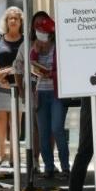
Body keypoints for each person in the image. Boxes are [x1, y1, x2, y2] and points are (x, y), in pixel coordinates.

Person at [0, 6, 26, 174]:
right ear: (6, 21)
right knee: (0, 122)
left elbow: (27, 60)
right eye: (10, 18)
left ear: (20, 22)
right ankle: (0, 156)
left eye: (16, 18)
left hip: (18, 86)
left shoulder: (25, 40)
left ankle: (14, 157)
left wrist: (11, 70)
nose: (13, 21)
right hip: (0, 86)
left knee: (15, 123)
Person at [30, 12, 67, 178]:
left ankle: (65, 166)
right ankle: (49, 167)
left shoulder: (59, 47)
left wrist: (50, 74)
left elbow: (65, 69)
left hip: (56, 93)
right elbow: (31, 66)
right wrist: (36, 52)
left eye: (43, 32)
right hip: (41, 92)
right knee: (44, 132)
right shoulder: (35, 47)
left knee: (57, 128)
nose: (40, 35)